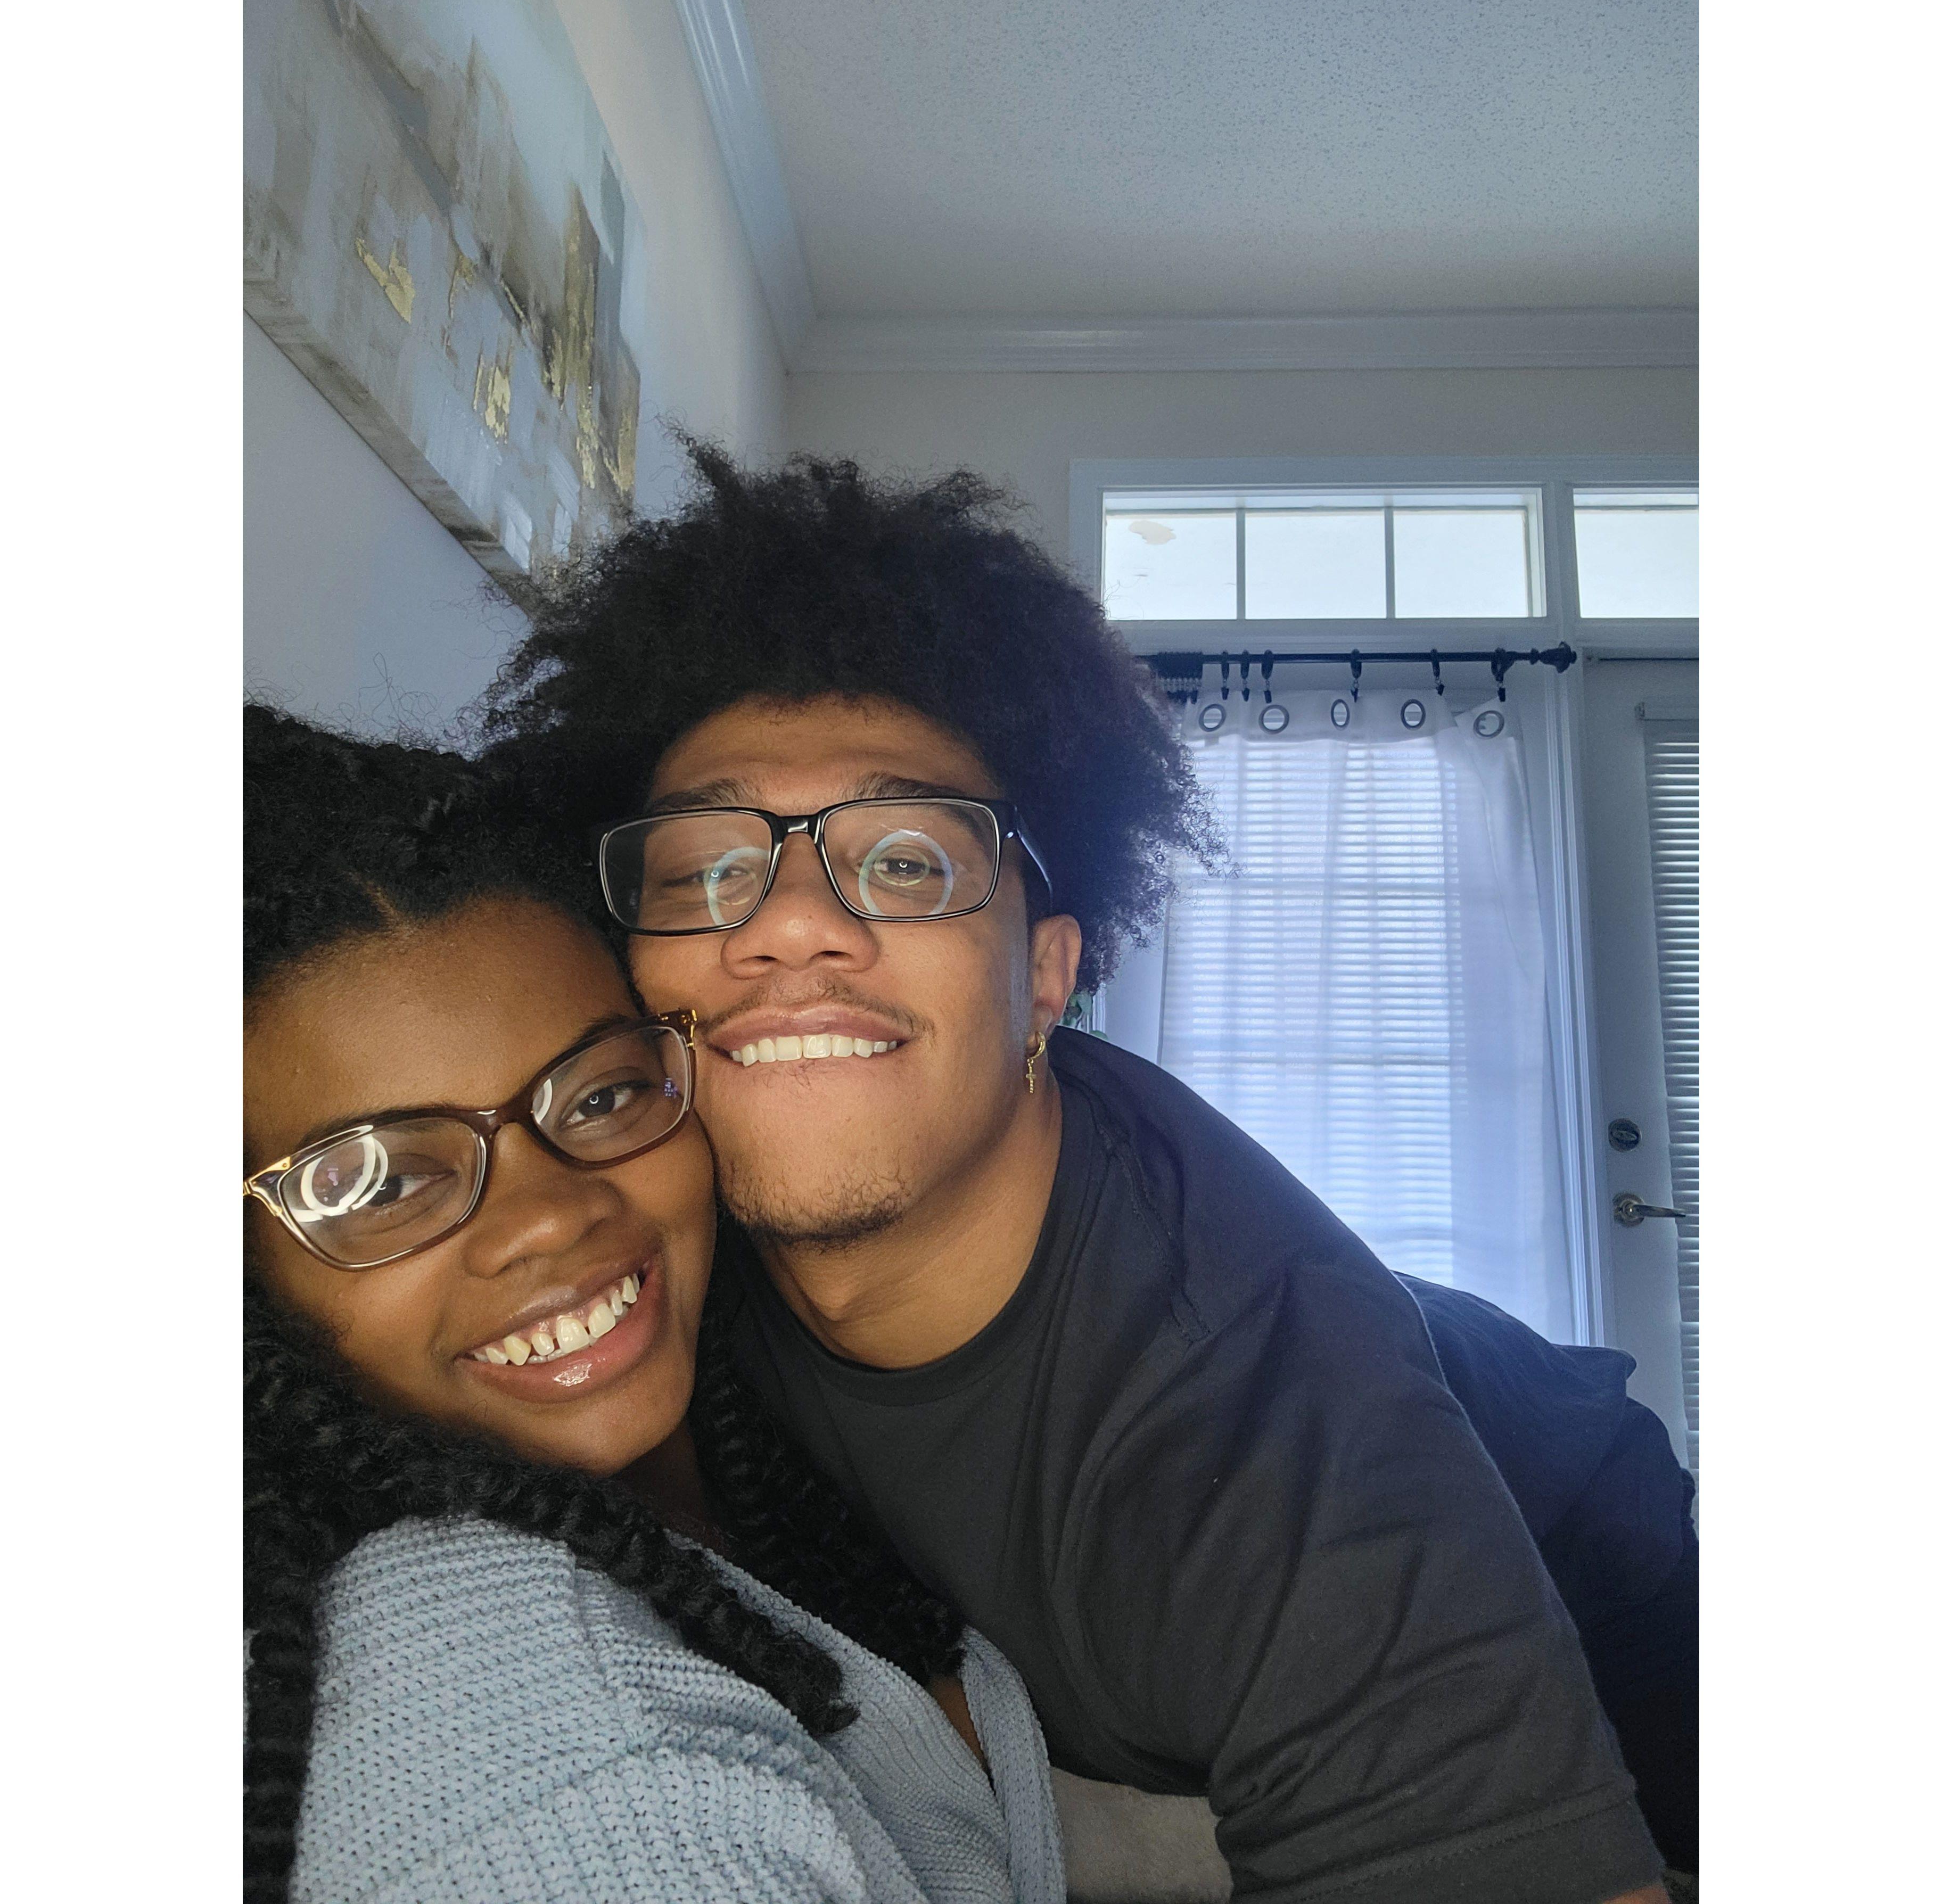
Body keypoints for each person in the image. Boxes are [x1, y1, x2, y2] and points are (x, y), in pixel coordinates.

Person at [484, 445, 1698, 1901]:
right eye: (704, 872)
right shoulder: (634, 1214)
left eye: (908, 862)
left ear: (1048, 980)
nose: (790, 925)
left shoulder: (1268, 1421)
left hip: (1585, 1535)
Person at [241, 705, 1065, 1904]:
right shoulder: (546, 1774)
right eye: (382, 1181)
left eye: (599, 1095)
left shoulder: (761, 1440)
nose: (547, 1217)